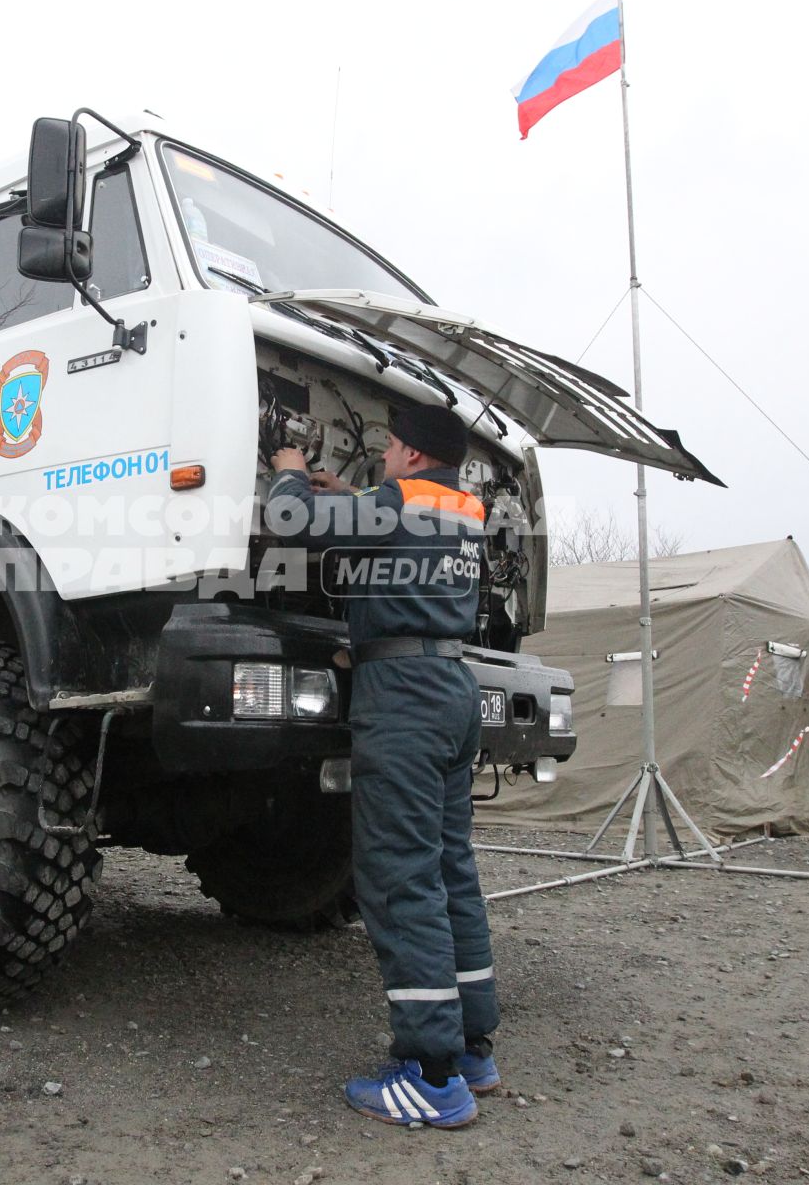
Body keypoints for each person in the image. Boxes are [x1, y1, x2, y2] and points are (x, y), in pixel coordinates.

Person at [264, 402, 496, 1130]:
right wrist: (351, 497)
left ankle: (430, 1076)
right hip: (454, 691)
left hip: (404, 698)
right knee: (450, 866)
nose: (385, 457)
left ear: (415, 456)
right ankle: (472, 1050)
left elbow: (290, 524)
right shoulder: (462, 508)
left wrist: (292, 475)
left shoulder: (396, 500)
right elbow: (388, 523)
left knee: (400, 877)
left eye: (391, 448)